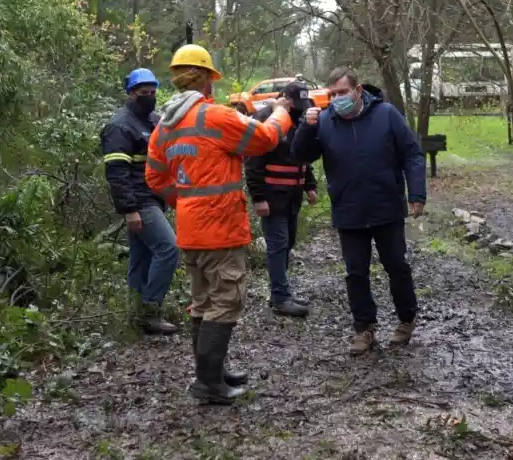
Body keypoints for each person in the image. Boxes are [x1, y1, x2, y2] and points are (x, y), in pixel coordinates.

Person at [146, 44, 294, 404]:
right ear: (207, 80)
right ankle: (209, 385)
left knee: (203, 302)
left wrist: (186, 203)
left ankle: (210, 374)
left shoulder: (165, 126)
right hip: (220, 229)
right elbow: (265, 138)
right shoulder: (214, 116)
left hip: (191, 230)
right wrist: (280, 112)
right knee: (226, 301)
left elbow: (155, 177)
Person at [290, 67, 427, 355]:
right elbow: (301, 156)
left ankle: (406, 319)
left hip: (386, 206)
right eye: (333, 94)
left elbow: (412, 153)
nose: (337, 99)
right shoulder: (324, 121)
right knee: (355, 273)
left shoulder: (386, 115)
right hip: (348, 209)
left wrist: (416, 194)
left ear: (358, 90)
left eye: (342, 92)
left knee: (396, 266)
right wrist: (306, 127)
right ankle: (364, 329)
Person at [101, 68, 178, 336]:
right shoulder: (119, 126)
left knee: (141, 256)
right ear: (132, 93)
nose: (151, 96)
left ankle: (136, 314)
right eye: (145, 92)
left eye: (153, 92)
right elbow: (117, 174)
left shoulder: (153, 121)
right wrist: (130, 210)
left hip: (154, 198)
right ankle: (150, 310)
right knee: (168, 248)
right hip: (140, 201)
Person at [244, 81, 318, 318]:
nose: (299, 109)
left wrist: (310, 185)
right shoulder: (265, 119)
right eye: (296, 104)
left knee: (288, 243)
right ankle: (280, 297)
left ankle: (281, 291)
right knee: (278, 244)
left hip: (292, 195)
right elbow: (252, 161)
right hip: (272, 195)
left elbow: (301, 155)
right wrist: (258, 198)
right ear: (284, 98)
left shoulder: (298, 119)